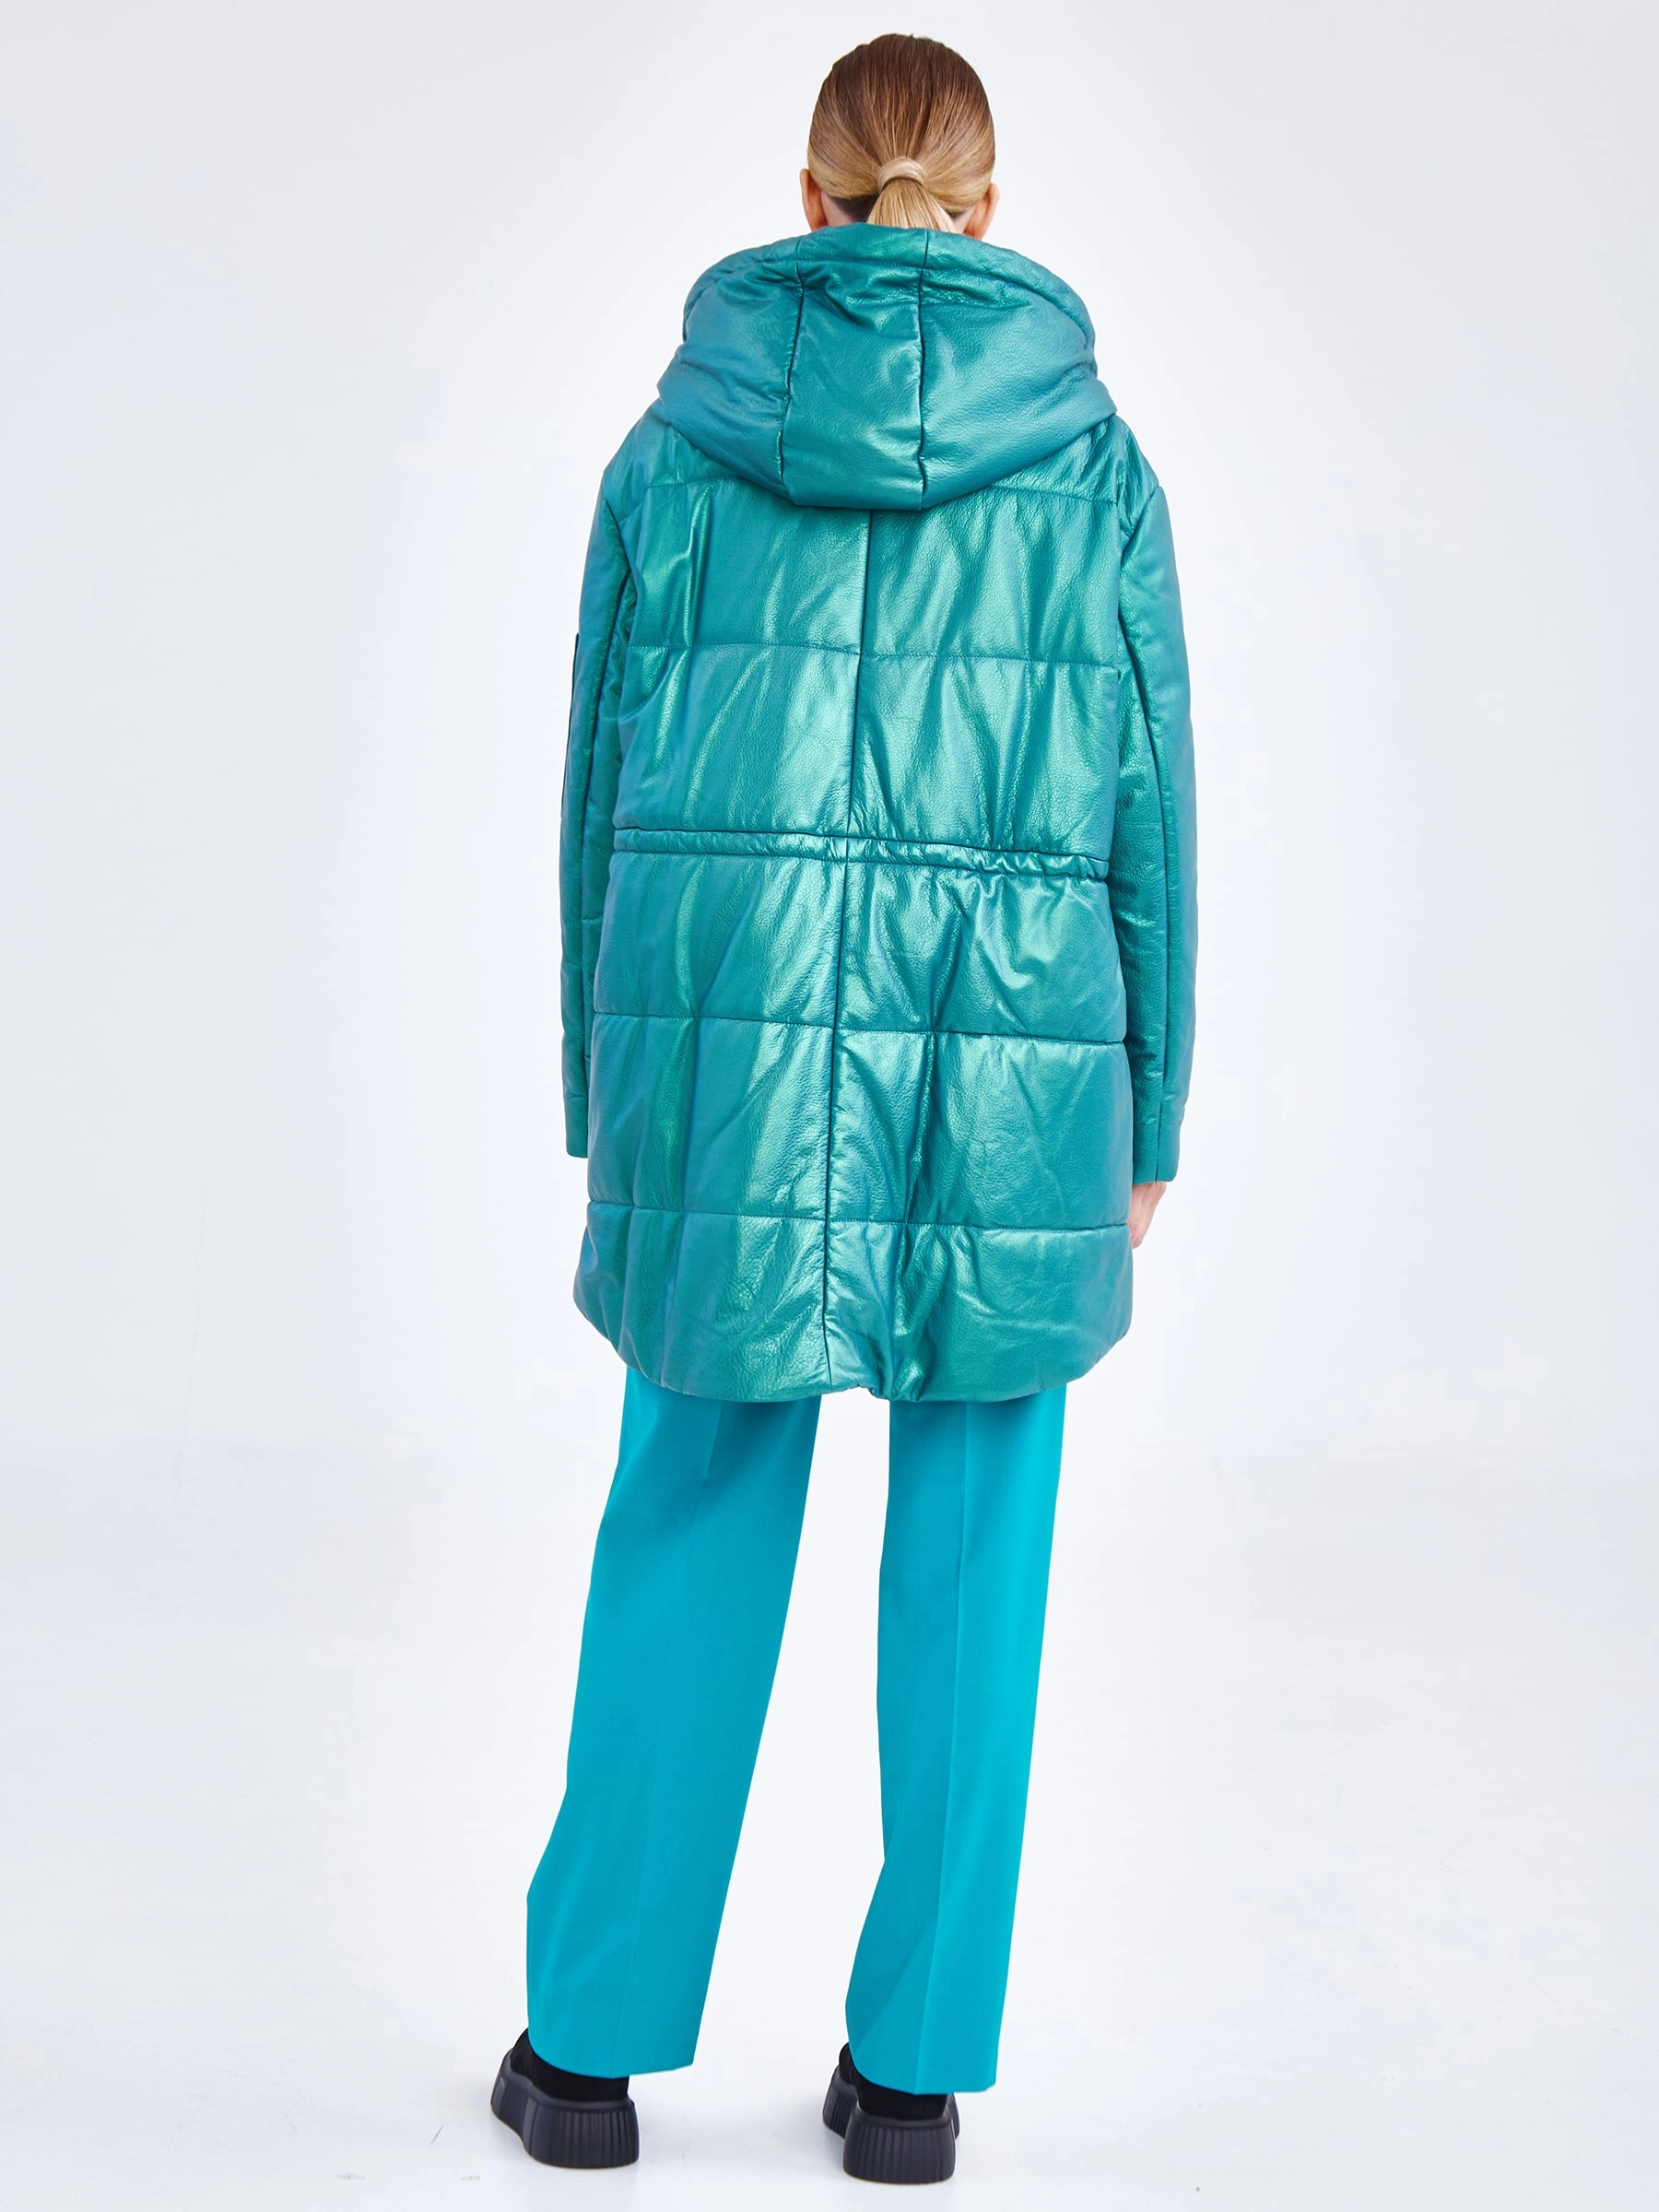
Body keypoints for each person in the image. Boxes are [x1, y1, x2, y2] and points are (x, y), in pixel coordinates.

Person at [490, 30, 1195, 2186]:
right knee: (978, 1554)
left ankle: (586, 2058)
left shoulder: (673, 448)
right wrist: (1152, 1114)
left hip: (730, 1043)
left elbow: (600, 791)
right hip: (1019, 1060)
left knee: (688, 1513)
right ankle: (911, 2085)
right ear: (985, 213)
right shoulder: (1094, 466)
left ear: (807, 200)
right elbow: (1152, 812)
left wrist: (605, 1083)